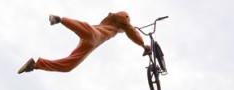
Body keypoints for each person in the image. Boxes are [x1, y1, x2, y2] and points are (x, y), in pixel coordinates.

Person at [18, 12, 151, 74]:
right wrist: (142, 44)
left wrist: (128, 29)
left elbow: (128, 30)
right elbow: (131, 32)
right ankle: (60, 19)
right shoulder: (121, 18)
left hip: (90, 43)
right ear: (126, 19)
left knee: (68, 66)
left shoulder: (114, 25)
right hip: (95, 36)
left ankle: (35, 65)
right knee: (91, 33)